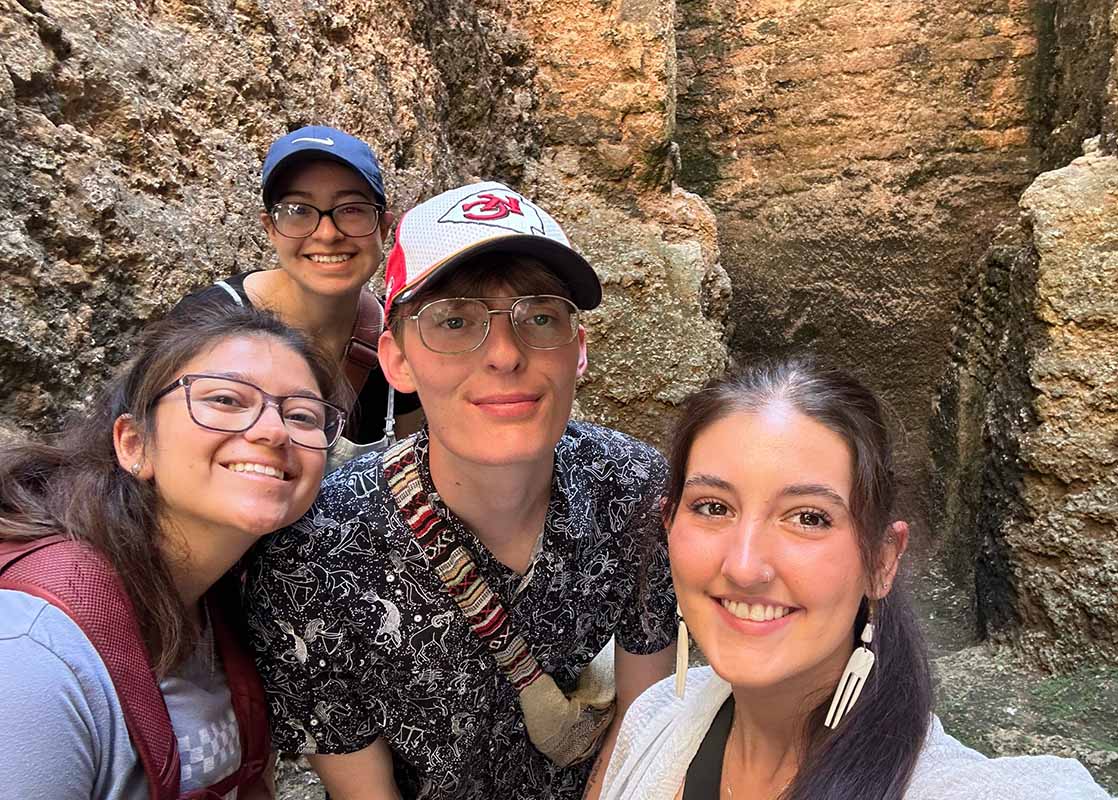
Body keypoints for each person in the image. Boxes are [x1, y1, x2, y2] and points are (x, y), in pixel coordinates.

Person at [244, 181, 677, 799]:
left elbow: (643, 723)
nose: (504, 354)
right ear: (397, 361)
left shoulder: (633, 490)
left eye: (540, 317)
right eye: (454, 320)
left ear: (578, 349)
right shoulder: (316, 556)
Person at [599, 357, 1118, 800]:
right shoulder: (654, 720)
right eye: (713, 507)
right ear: (669, 526)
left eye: (809, 517)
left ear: (882, 560)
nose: (744, 566)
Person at [0, 304, 349, 799]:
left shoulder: (225, 599)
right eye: (226, 399)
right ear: (134, 444)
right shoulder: (33, 653)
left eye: (302, 415)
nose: (274, 431)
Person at [173, 124, 421, 451]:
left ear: (384, 227)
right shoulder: (210, 320)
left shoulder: (398, 342)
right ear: (270, 228)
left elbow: (405, 471)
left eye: (351, 210)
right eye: (299, 211)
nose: (328, 234)